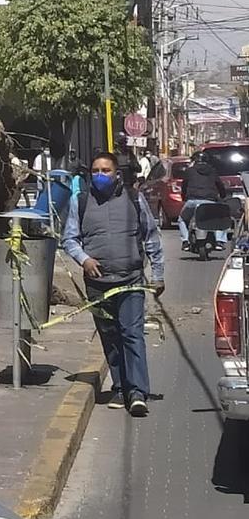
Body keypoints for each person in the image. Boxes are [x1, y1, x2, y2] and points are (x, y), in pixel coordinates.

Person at [62, 152, 165, 417]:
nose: (99, 175)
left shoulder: (133, 198)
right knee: (110, 336)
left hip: (130, 280)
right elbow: (70, 239)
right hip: (97, 285)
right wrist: (84, 260)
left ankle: (138, 392)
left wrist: (158, 274)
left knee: (132, 334)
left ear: (116, 173)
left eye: (105, 170)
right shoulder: (80, 201)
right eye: (95, 170)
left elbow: (151, 236)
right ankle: (120, 387)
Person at [179, 151, 227, 252]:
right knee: (220, 217)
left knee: (182, 219)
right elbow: (220, 185)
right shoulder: (213, 171)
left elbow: (184, 186)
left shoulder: (189, 171)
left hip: (192, 200)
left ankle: (185, 241)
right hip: (210, 201)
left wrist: (184, 197)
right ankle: (219, 241)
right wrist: (223, 196)